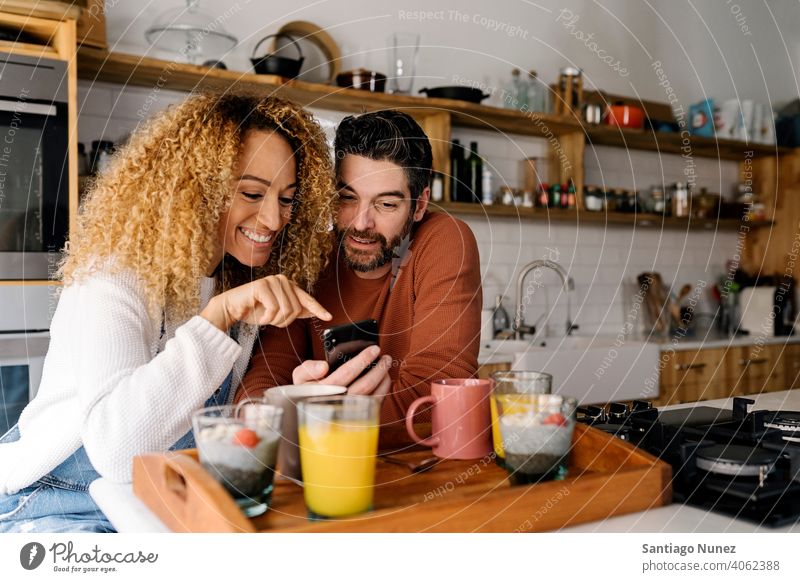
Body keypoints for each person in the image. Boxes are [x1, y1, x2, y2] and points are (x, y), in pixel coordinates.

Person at [0, 92, 383, 533]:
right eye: (252, 193)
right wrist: (215, 319)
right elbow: (117, 449)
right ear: (195, 186)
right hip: (54, 503)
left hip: (155, 499)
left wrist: (293, 402)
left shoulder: (233, 279)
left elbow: (203, 427)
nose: (274, 219)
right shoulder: (112, 279)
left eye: (287, 198)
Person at [237, 110, 482, 429]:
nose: (360, 223)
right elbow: (264, 379)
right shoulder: (309, 254)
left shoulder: (445, 240)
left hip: (416, 472)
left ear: (419, 205)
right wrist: (265, 415)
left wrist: (309, 416)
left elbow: (439, 398)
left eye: (386, 204)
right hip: (321, 467)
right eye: (347, 198)